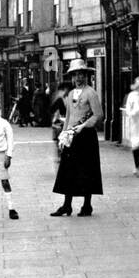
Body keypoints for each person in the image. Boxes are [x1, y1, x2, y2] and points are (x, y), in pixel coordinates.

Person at [51, 59, 104, 216]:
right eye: (75, 75)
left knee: (87, 170)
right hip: (72, 137)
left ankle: (87, 206)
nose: (78, 78)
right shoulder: (71, 93)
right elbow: (68, 116)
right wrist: (65, 134)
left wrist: (85, 125)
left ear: (86, 76)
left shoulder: (91, 93)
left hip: (86, 137)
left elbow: (98, 114)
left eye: (81, 75)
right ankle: (67, 205)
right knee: (68, 170)